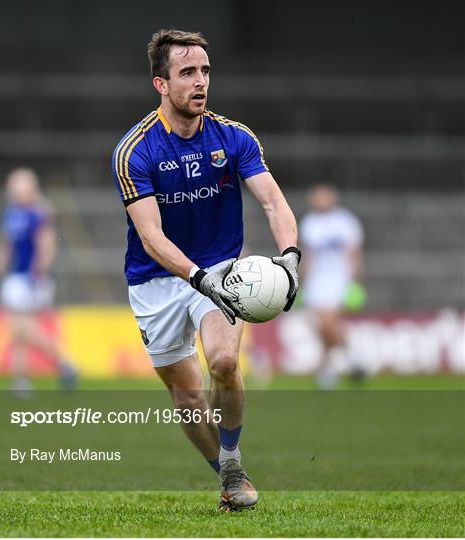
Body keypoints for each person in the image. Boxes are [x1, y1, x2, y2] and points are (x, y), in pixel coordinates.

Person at [111, 29, 300, 511]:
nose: (200, 82)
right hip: (157, 282)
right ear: (161, 83)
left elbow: (274, 203)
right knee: (188, 396)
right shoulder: (136, 151)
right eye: (188, 73)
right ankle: (224, 470)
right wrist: (196, 278)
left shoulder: (234, 137)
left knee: (222, 362)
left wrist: (292, 257)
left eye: (206, 72)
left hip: (221, 269)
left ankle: (233, 464)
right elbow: (152, 238)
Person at [0, 168, 78, 394]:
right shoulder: (12, 212)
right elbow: (6, 243)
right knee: (17, 329)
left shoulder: (40, 211)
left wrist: (38, 273)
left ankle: (63, 362)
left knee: (21, 326)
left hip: (31, 277)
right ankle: (23, 379)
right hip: (15, 276)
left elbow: (46, 244)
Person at [299, 184, 364, 389]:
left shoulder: (345, 221)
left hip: (338, 279)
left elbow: (353, 253)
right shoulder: (309, 223)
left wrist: (353, 281)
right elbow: (307, 255)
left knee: (328, 323)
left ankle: (326, 369)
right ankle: (352, 359)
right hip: (317, 281)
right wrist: (302, 282)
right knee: (325, 327)